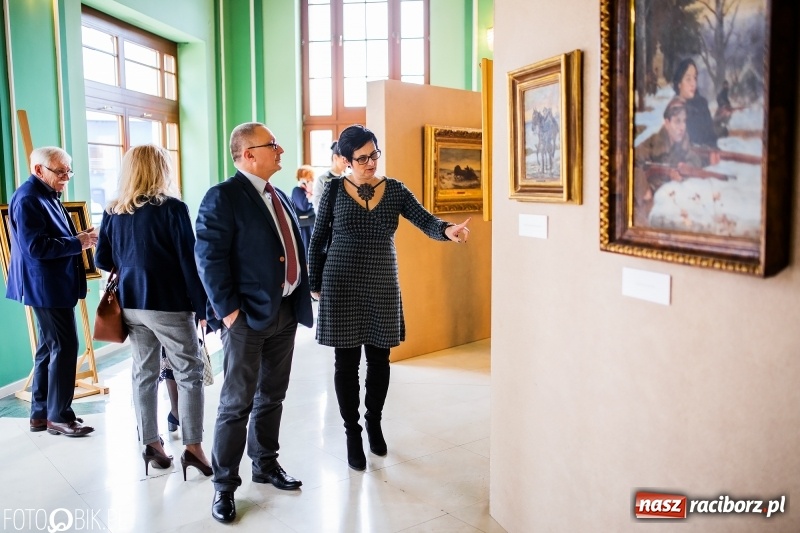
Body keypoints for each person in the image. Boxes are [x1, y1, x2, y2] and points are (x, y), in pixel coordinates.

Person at [307, 124, 471, 471]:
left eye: (374, 155)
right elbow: (318, 239)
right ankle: (352, 433)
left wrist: (447, 230)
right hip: (341, 282)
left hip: (382, 281)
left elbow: (425, 220)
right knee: (346, 364)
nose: (370, 163)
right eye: (362, 158)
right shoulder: (333, 191)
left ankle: (374, 422)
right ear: (345, 160)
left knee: (380, 360)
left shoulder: (395, 189)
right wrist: (314, 282)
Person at [195, 122, 313, 524]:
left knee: (272, 395)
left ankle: (264, 463)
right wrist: (229, 313)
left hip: (285, 312)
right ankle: (224, 486)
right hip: (245, 318)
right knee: (236, 404)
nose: (280, 151)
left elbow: (289, 248)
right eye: (272, 145)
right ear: (248, 154)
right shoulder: (223, 197)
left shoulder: (277, 195)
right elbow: (208, 259)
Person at [94, 144, 212, 479]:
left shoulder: (114, 209)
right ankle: (193, 448)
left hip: (131, 304)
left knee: (143, 373)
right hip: (168, 303)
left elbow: (102, 258)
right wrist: (202, 306)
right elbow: (189, 260)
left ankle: (151, 443)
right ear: (161, 169)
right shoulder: (172, 208)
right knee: (188, 373)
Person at [6, 147, 97, 437]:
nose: (66, 178)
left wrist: (79, 238)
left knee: (48, 348)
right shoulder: (29, 198)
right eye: (60, 172)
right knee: (65, 346)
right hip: (46, 286)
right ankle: (59, 416)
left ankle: (40, 414)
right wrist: (78, 243)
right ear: (38, 170)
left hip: (51, 285)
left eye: (69, 172)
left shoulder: (45, 195)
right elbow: (36, 247)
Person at [633, 97, 705, 225]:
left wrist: (684, 170)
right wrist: (643, 189)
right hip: (648, 201)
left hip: (670, 198)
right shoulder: (653, 143)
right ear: (667, 123)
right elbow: (630, 163)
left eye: (684, 121)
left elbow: (695, 159)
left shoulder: (683, 143)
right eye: (677, 121)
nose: (682, 127)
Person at [672, 58, 718, 148]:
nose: (693, 83)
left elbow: (711, 138)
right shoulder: (673, 108)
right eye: (688, 79)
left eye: (695, 78)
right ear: (679, 83)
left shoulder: (702, 105)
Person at [311, 140, 347, 213]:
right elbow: (317, 207)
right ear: (335, 157)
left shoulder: (348, 178)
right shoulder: (322, 179)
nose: (347, 162)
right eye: (344, 159)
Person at [291, 164, 316, 257]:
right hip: (303, 226)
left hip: (311, 223)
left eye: (311, 178)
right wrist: (309, 192)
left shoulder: (311, 192)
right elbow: (304, 206)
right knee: (305, 251)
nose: (310, 181)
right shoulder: (297, 190)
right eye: (308, 178)